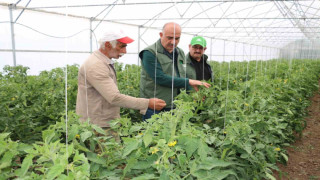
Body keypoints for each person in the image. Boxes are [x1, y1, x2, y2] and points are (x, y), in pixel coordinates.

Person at [76, 28, 166, 129]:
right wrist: (147, 103)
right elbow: (114, 97)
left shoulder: (102, 62)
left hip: (103, 122)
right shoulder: (96, 66)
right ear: (108, 45)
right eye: (122, 46)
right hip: (97, 126)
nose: (125, 51)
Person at [139, 22, 211, 120]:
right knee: (154, 134)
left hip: (176, 104)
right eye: (170, 38)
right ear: (161, 35)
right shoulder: (149, 53)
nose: (173, 42)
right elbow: (160, 78)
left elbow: (182, 75)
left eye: (177, 38)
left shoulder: (180, 52)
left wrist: (193, 93)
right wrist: (189, 81)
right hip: (156, 106)